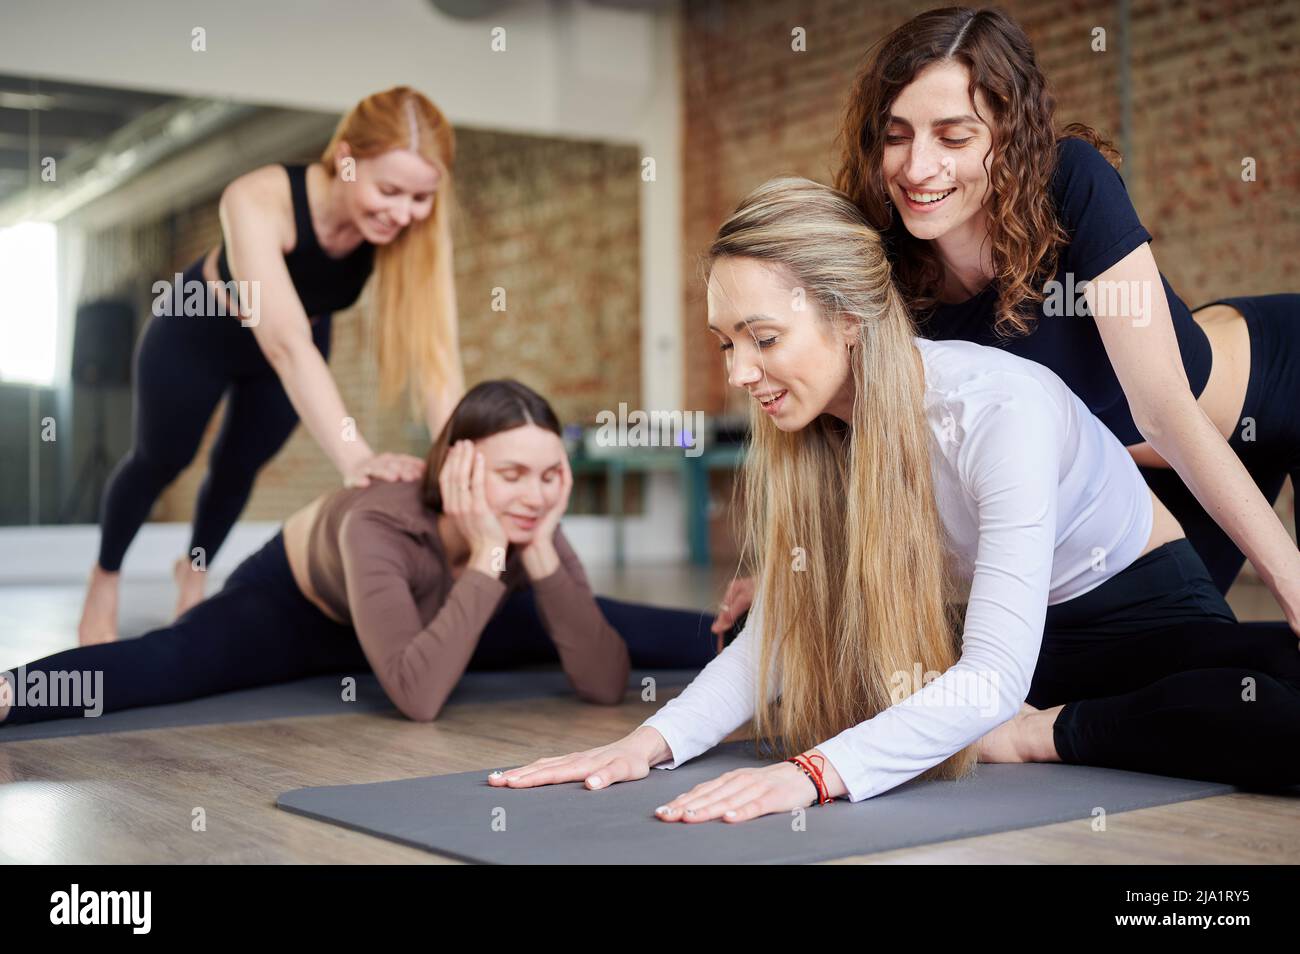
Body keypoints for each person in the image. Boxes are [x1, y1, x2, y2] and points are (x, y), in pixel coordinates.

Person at [489, 178, 1300, 823]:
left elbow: (989, 678)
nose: (739, 372)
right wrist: (646, 745)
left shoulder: (995, 408)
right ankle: (1045, 727)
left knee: (1260, 711)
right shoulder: (814, 434)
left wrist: (815, 775)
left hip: (1133, 619)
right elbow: (774, 640)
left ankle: (1045, 735)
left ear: (848, 319)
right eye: (727, 343)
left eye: (763, 339)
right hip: (1002, 646)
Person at [830, 5, 1300, 623]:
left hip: (1265, 391)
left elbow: (1162, 411)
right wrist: (796, 571)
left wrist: (1292, 585)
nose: (918, 167)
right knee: (1173, 665)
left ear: (1009, 132)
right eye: (895, 136)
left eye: (953, 137)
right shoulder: (886, 267)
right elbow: (866, 444)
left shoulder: (1069, 182)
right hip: (1147, 482)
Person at [2, 381, 718, 728]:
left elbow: (601, 682)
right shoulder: (378, 523)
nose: (534, 495)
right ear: (459, 468)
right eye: (511, 475)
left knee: (629, 623)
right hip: (295, 615)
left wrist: (526, 552)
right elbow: (416, 696)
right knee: (172, 662)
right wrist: (491, 555)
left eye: (549, 474)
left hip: (443, 610)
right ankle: (10, 692)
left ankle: (778, 628)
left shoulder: (530, 516)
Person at [79, 86, 466, 645]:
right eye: (390, 190)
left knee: (238, 468)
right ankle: (104, 576)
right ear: (347, 160)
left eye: (420, 198)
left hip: (300, 336)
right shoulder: (257, 197)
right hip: (198, 330)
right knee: (161, 460)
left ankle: (194, 571)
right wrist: (357, 457)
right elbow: (284, 344)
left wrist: (456, 459)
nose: (403, 213)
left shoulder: (414, 231)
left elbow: (435, 358)